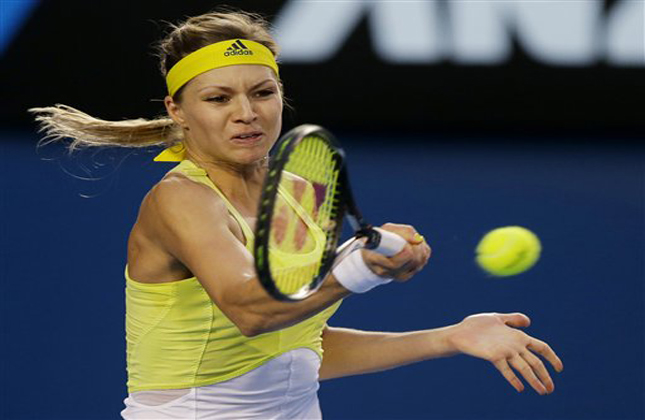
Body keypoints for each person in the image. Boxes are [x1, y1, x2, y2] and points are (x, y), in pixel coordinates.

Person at [30, 10, 563, 420]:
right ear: (178, 110)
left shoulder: (301, 194)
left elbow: (296, 349)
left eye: (262, 92)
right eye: (218, 98)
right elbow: (252, 311)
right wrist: (356, 269)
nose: (246, 113)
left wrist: (447, 337)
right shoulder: (180, 200)